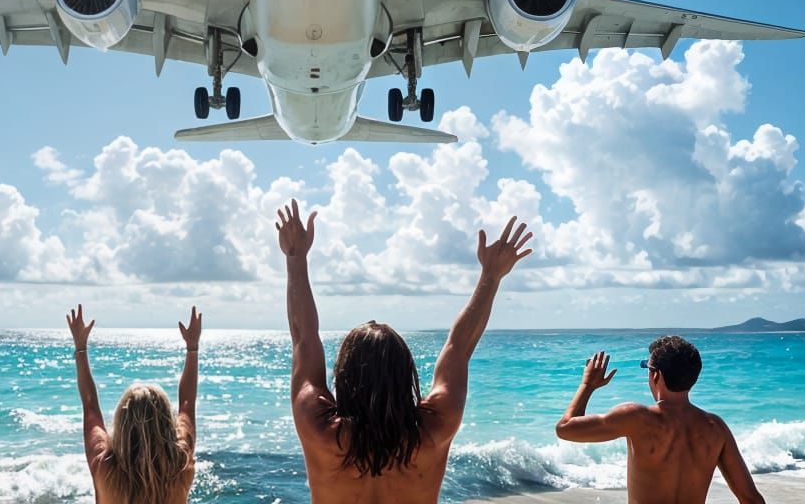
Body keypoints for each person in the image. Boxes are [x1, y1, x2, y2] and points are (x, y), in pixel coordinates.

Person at [275, 198, 532, 504]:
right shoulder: (432, 430)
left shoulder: (321, 430)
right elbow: (458, 348)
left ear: (345, 374)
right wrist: (490, 277)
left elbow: (304, 337)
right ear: (403, 372)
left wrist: (295, 257)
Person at [553, 337, 764, 504]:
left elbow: (565, 429)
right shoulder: (715, 427)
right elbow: (751, 499)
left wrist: (588, 385)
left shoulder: (636, 417)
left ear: (656, 376)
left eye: (647, 367)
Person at [68, 303, 202, 504]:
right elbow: (186, 404)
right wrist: (192, 348)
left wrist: (80, 347)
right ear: (166, 420)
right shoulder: (180, 465)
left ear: (122, 422)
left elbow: (90, 408)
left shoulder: (105, 468)